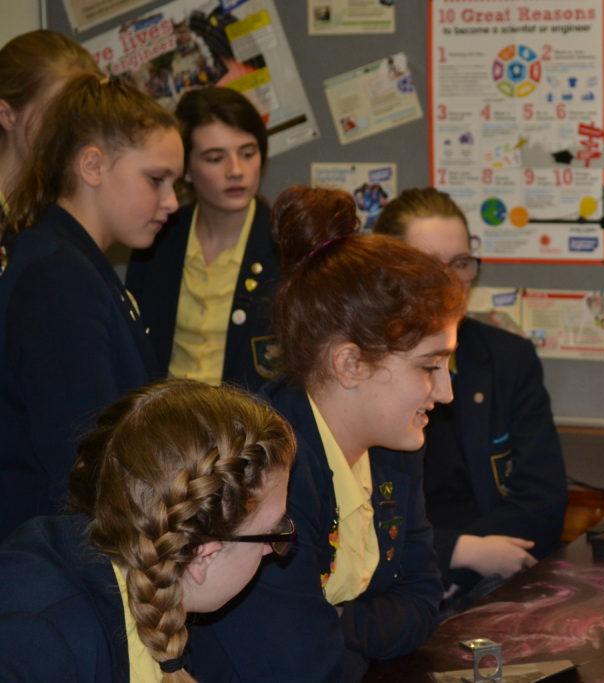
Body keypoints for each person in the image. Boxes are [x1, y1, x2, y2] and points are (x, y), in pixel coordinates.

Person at [187, 186, 466, 682]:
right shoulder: (266, 470)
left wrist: (336, 624)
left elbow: (422, 601)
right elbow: (298, 663)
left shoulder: (395, 448)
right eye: (429, 366)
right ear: (351, 363)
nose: (444, 393)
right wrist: (346, 633)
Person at [0, 379, 296, 681]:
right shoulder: (39, 641)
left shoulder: (150, 592)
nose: (271, 549)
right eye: (271, 534)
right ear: (202, 557)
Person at [0, 74, 183, 541]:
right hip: (53, 561)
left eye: (175, 183)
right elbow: (83, 463)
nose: (172, 202)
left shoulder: (75, 261)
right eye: (156, 179)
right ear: (93, 165)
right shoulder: (59, 278)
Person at [374, 187, 567, 614]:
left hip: (497, 584)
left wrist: (464, 567)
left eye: (461, 264)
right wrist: (458, 552)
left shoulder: (507, 358)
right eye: (429, 266)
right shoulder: (365, 369)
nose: (452, 282)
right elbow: (364, 515)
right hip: (396, 590)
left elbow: (544, 500)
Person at [127, 87, 278, 392]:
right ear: (186, 171)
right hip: (162, 423)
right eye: (214, 158)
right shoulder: (157, 235)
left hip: (251, 427)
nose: (236, 171)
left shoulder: (284, 244)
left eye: (248, 154)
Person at [0, 30, 99, 269]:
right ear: (7, 115)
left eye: (83, 114)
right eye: (58, 112)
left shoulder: (62, 209)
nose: (76, 129)